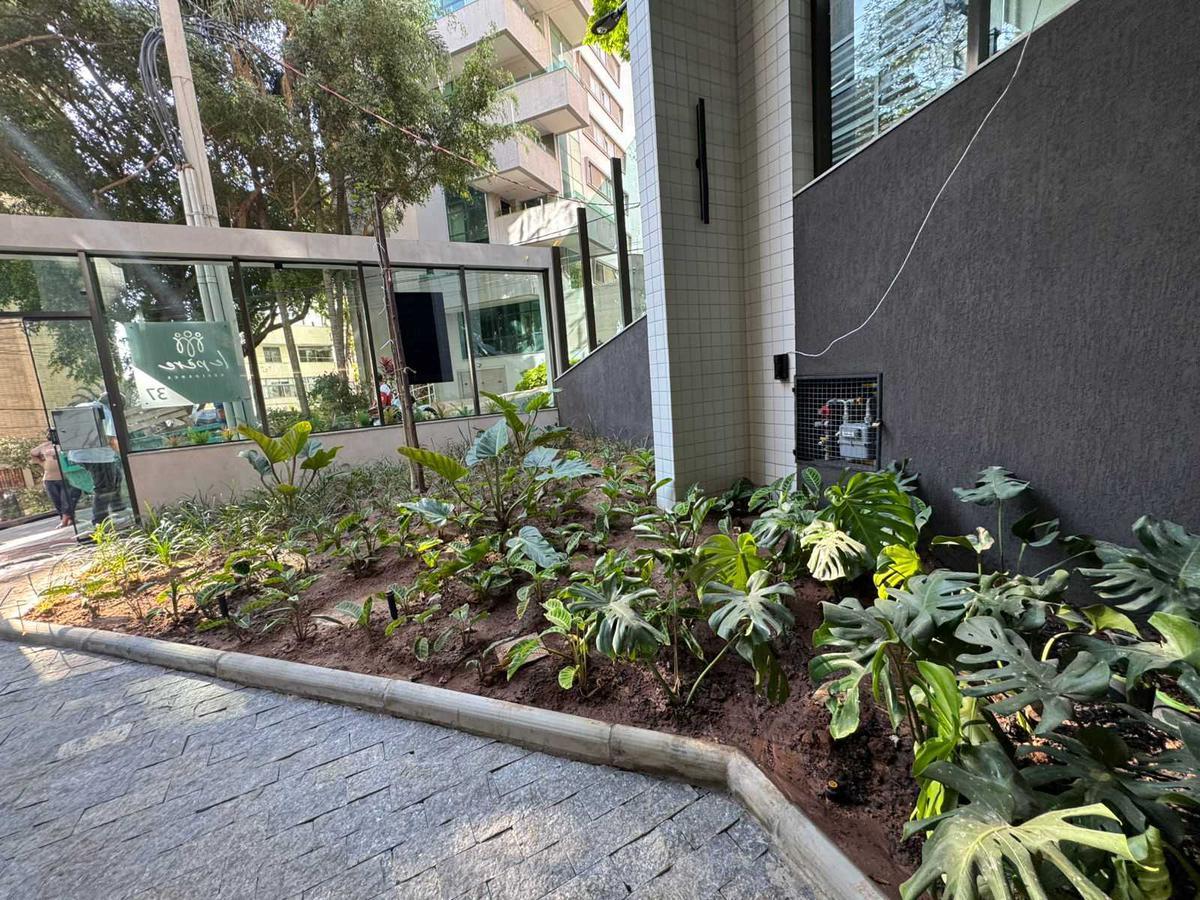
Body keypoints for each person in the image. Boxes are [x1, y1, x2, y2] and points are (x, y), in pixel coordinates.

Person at [67, 396, 126, 526]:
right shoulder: (106, 412)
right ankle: (100, 521)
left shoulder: (82, 407)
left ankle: (115, 509)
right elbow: (111, 440)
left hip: (78, 454)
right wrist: (124, 454)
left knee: (116, 476)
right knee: (104, 488)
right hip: (98, 457)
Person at [31, 437, 80, 528]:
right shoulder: (45, 446)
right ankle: (69, 519)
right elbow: (33, 453)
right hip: (49, 478)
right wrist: (42, 462)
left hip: (66, 477)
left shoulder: (65, 444)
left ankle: (65, 520)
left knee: (67, 499)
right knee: (56, 500)